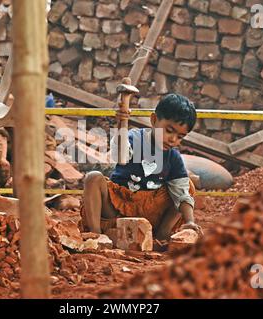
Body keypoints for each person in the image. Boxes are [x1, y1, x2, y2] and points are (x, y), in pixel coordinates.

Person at [82, 93, 203, 241]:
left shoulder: (173, 157)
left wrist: (190, 221)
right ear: (154, 120)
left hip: (150, 217)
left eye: (180, 137)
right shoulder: (134, 138)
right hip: (118, 208)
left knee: (187, 186)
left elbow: (182, 193)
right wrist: (122, 124)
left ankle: (161, 234)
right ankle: (97, 237)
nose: (173, 139)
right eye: (169, 131)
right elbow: (121, 157)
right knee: (93, 178)